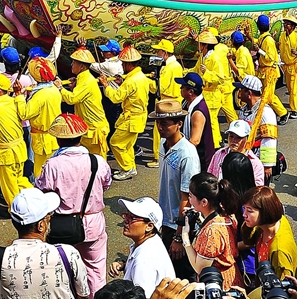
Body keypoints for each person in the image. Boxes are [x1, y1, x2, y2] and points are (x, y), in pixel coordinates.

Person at [34, 112, 114, 299]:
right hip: (93, 222)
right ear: (80, 137)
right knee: (96, 269)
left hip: (62, 224)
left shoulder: (52, 164)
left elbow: (41, 189)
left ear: (58, 139)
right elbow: (106, 184)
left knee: (63, 268)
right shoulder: (97, 161)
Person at [151, 99, 199, 267]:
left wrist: (179, 236)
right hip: (165, 221)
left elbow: (187, 197)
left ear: (179, 124)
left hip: (178, 224)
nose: (160, 127)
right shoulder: (163, 145)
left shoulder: (187, 154)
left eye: (165, 124)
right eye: (158, 123)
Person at [109, 197, 176, 299]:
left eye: (132, 218)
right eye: (126, 215)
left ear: (149, 226)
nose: (125, 221)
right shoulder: (149, 242)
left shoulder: (144, 261)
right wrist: (125, 265)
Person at [181, 173, 239, 289]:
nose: (189, 200)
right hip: (231, 277)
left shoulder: (211, 232)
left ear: (204, 202)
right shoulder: (228, 214)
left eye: (191, 196)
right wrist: (201, 219)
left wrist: (185, 238)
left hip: (219, 285)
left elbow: (200, 268)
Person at [104, 45, 153, 180]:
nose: (122, 66)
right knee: (128, 145)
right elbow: (131, 92)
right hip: (138, 116)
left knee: (115, 143)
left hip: (131, 117)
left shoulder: (131, 80)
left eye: (123, 63)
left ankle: (127, 168)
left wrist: (106, 86)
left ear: (129, 64)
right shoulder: (141, 76)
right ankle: (130, 167)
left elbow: (116, 98)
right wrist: (122, 83)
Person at [241, 186, 297, 281]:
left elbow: (281, 287)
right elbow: (249, 240)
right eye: (244, 209)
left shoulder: (278, 251)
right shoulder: (275, 222)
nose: (244, 214)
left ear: (265, 212)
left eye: (249, 211)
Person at [60, 47, 110, 158]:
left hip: (94, 128)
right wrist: (73, 87)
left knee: (98, 160)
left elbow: (72, 99)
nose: (71, 65)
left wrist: (60, 88)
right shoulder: (83, 79)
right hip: (88, 126)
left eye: (74, 62)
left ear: (82, 66)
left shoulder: (87, 81)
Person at [233, 74, 277, 180]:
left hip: (258, 161)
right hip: (244, 158)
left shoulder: (266, 113)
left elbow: (269, 140)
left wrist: (267, 166)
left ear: (249, 93)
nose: (238, 93)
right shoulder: (244, 109)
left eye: (241, 90)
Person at [178, 72, 215, 173]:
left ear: (190, 92)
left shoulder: (198, 111)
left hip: (200, 162)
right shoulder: (186, 103)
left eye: (182, 87)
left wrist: (179, 156)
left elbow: (195, 141)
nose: (180, 88)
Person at [278, 17, 297, 119]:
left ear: (293, 26)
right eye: (284, 24)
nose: (285, 26)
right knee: (291, 89)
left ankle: (294, 109)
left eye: (287, 24)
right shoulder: (282, 36)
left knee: (294, 89)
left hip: (295, 66)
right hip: (287, 66)